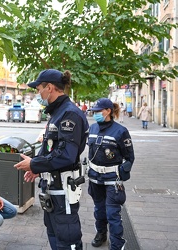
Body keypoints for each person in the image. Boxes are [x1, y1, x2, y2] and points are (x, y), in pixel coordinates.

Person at [14, 69, 89, 250]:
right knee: (55, 236)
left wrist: (34, 164)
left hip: (63, 190)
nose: (37, 93)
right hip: (53, 189)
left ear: (49, 87)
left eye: (39, 88)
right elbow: (50, 146)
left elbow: (65, 154)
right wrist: (36, 168)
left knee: (67, 240)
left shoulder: (69, 114)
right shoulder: (57, 112)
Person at [87, 98, 135, 249]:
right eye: (94, 112)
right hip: (95, 178)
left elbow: (129, 157)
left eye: (98, 111)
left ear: (108, 111)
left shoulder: (121, 131)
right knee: (99, 210)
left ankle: (117, 245)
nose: (95, 114)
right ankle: (101, 233)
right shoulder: (93, 128)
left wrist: (122, 173)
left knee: (112, 214)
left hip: (112, 180)